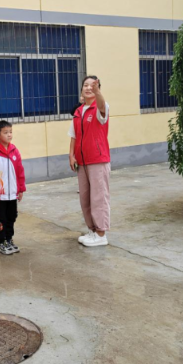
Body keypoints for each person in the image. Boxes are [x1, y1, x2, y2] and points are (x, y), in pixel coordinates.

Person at [69, 76, 111, 247]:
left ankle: (101, 234)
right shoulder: (79, 111)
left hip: (97, 160)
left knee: (98, 198)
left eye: (92, 86)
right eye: (85, 85)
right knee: (85, 198)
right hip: (82, 162)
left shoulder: (100, 108)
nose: (88, 88)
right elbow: (73, 135)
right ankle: (92, 230)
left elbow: (102, 105)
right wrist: (71, 155)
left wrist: (98, 92)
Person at [0, 120, 26, 255]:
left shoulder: (15, 151)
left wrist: (20, 189)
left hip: (12, 193)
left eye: (10, 132)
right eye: (5, 132)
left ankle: (9, 239)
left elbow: (20, 171)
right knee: (0, 218)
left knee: (12, 217)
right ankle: (2, 241)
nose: (9, 135)